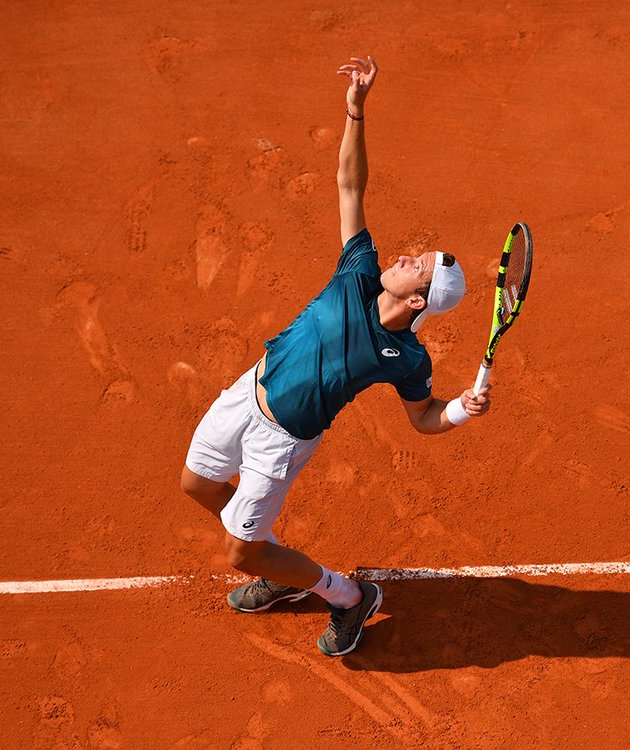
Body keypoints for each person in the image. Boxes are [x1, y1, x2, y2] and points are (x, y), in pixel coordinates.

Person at [180, 55, 492, 657]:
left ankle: (348, 597)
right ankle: (278, 567)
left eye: (417, 265)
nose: (403, 257)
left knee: (241, 553)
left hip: (281, 441)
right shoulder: (358, 271)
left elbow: (424, 417)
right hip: (248, 392)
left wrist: (461, 408)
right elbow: (350, 185)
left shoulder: (406, 356)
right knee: (196, 483)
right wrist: (356, 109)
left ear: (420, 299)